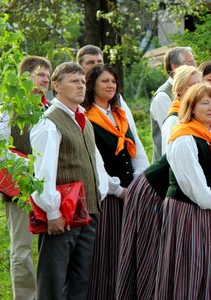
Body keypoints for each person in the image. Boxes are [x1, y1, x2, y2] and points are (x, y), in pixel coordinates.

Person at [116, 115, 211, 299]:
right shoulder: (193, 141)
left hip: (175, 198)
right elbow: (206, 192)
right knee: (150, 255)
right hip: (152, 193)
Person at [30, 62, 125, 299]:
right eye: (74, 81)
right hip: (63, 212)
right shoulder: (49, 122)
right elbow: (43, 174)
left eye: (83, 81)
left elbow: (96, 165)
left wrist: (108, 190)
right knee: (53, 284)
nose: (81, 86)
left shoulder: (82, 117)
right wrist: (52, 212)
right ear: (56, 86)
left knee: (80, 283)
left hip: (89, 211)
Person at [153, 83, 211, 299]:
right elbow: (191, 181)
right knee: (190, 270)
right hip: (188, 212)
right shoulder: (183, 137)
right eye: (205, 103)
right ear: (192, 107)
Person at [82, 64, 149, 299]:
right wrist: (118, 190)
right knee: (108, 254)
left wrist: (141, 183)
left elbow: (137, 151)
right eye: (104, 82)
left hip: (130, 193)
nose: (110, 85)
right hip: (108, 197)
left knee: (128, 253)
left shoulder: (120, 114)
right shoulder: (87, 117)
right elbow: (95, 162)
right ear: (92, 85)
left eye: (113, 81)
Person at [0, 55, 51, 300]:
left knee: (49, 248)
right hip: (19, 188)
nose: (45, 79)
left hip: (50, 188)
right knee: (22, 248)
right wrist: (32, 166)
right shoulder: (6, 109)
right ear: (25, 77)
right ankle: (26, 297)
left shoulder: (50, 109)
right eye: (40, 74)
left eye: (48, 75)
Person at [76, 45, 148, 163]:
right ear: (80, 67)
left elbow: (133, 137)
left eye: (99, 61)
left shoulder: (116, 99)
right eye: (90, 62)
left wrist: (141, 174)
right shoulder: (77, 102)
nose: (96, 65)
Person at [149, 46, 196, 161]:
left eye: (194, 61)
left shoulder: (194, 90)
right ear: (175, 67)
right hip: (171, 165)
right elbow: (172, 134)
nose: (195, 66)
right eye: (190, 62)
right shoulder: (163, 96)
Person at [160, 65, 201, 154]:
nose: (198, 89)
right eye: (191, 85)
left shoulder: (201, 115)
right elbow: (170, 156)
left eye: (199, 85)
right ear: (179, 90)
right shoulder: (173, 120)